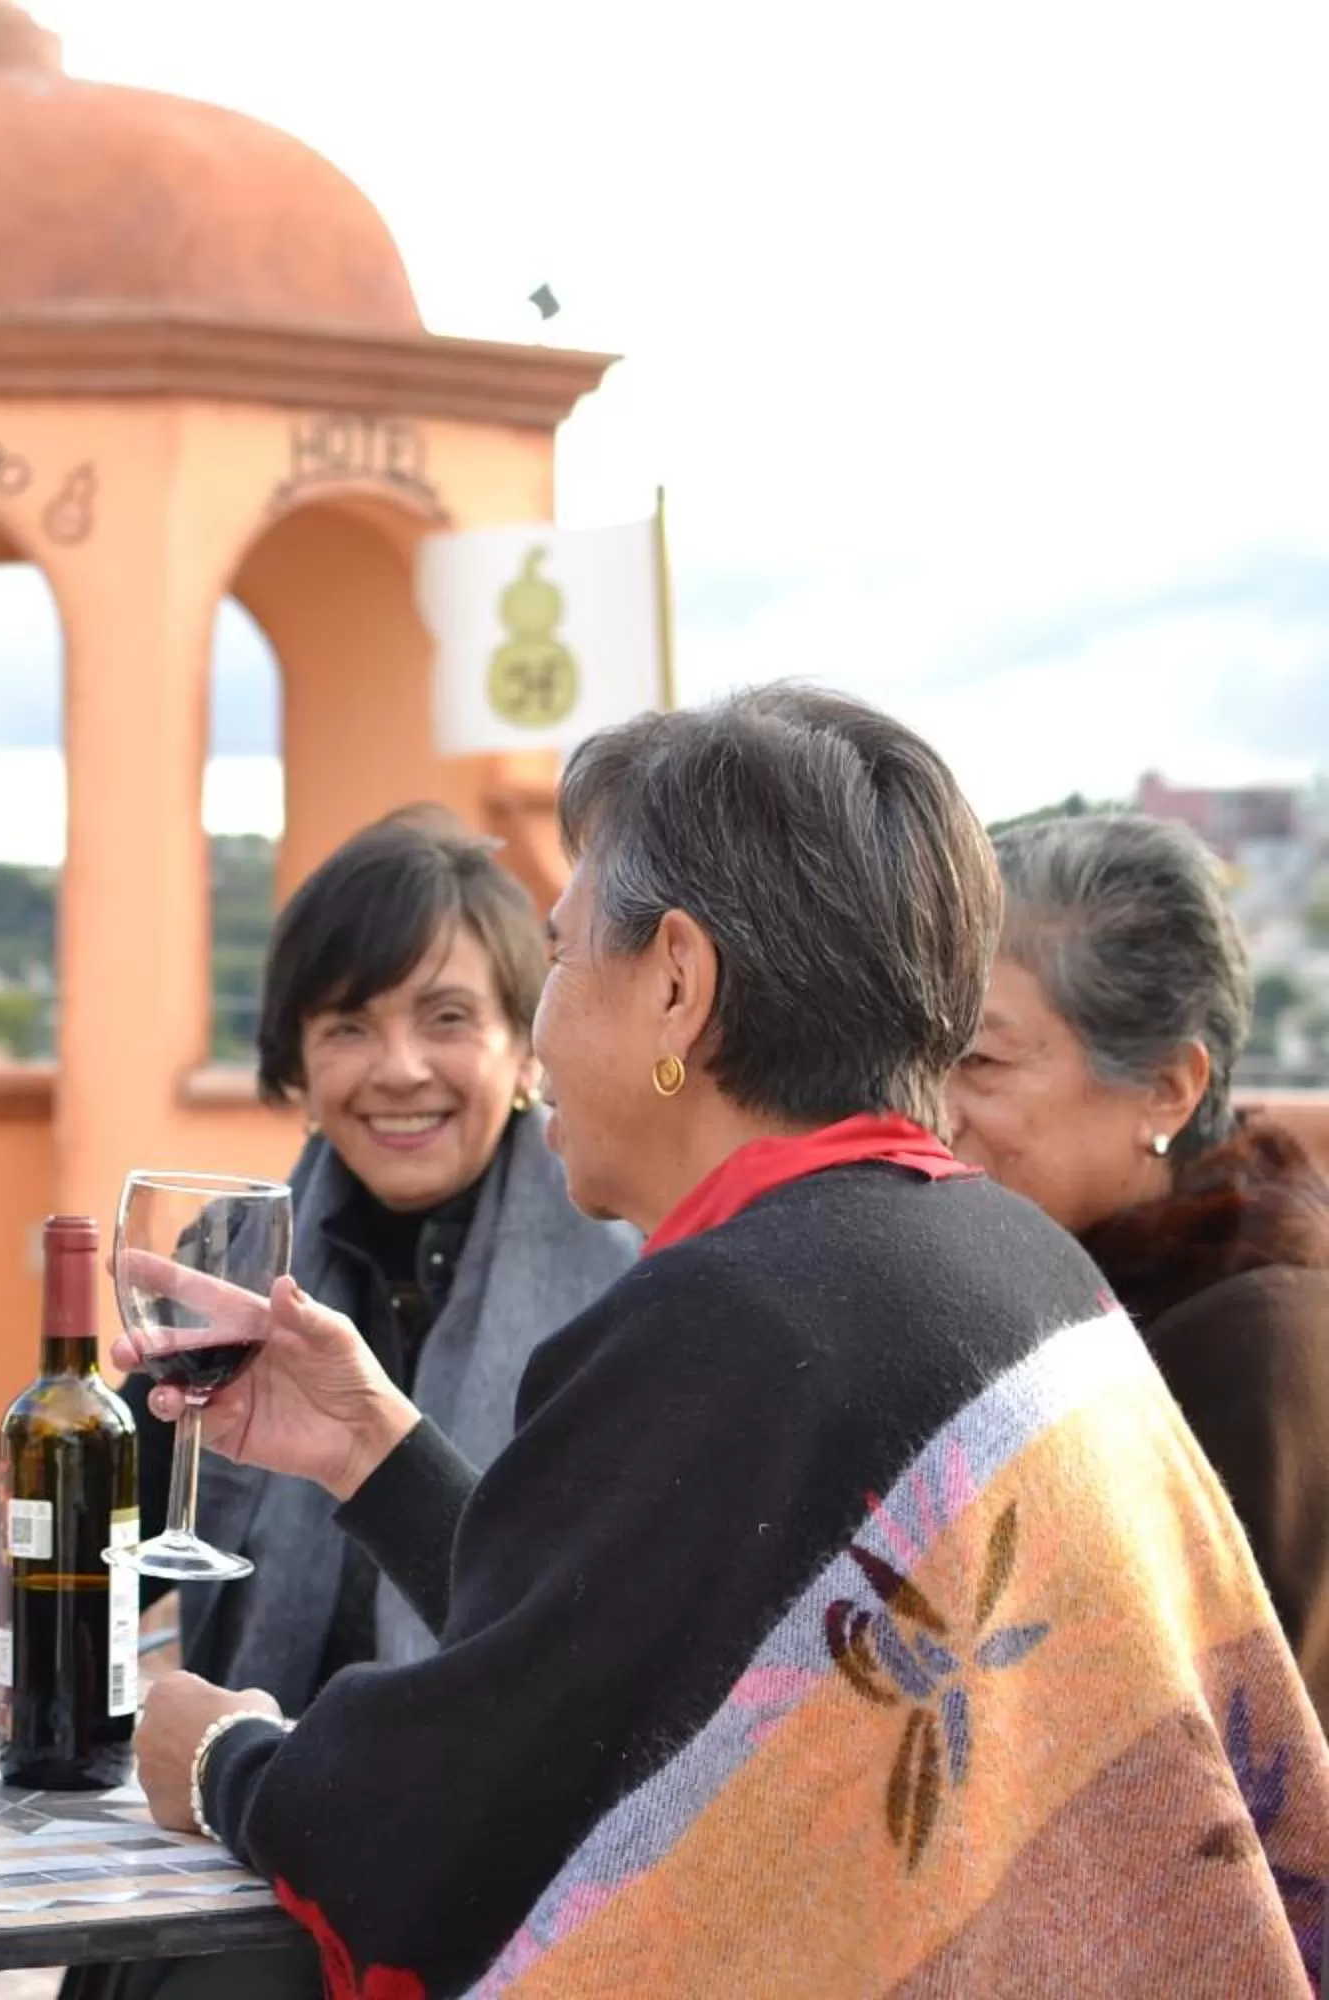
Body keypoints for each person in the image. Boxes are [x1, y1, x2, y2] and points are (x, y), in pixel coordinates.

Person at [125, 687, 1329, 1995]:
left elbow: (463, 1837)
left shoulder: (733, 1311)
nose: (542, 1024)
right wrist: (376, 1447)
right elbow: (621, 1655)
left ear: (678, 986)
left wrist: (224, 1759)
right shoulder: (1006, 1250)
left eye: (566, 954)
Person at [0, 811, 635, 1711]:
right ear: (299, 1068)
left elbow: (607, 1620)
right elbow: (104, 1531)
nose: (399, 1069)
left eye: (447, 1018)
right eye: (348, 1028)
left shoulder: (626, 1275)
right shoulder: (241, 1263)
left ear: (525, 1047)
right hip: (251, 1779)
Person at [949, 811, 1329, 1707]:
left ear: (1166, 1087)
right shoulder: (1055, 1288)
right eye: (926, 1056)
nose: (934, 1109)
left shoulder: (1252, 1349)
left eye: (983, 1062)